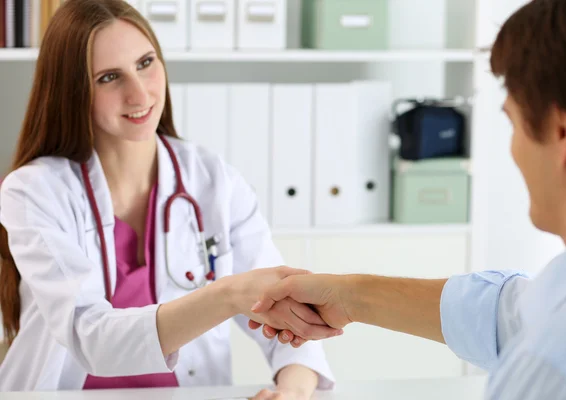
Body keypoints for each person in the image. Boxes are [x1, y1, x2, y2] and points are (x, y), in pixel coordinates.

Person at [251, 0, 566, 398]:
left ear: (559, 133)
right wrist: (349, 296)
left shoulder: (556, 358)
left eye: (513, 123)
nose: (512, 148)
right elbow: (508, 314)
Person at [0, 1, 340, 397]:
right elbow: (90, 337)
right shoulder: (32, 192)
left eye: (146, 63)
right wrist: (228, 296)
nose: (139, 92)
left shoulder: (213, 180)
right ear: (72, 91)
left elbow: (281, 308)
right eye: (109, 77)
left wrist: (293, 387)